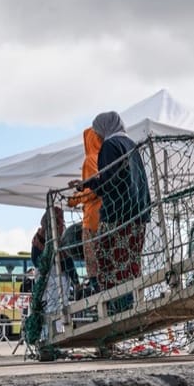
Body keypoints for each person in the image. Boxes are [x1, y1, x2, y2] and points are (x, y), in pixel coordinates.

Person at [70, 112, 151, 314]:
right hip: (138, 214)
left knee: (108, 264)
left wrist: (86, 186)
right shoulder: (131, 144)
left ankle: (117, 312)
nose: (96, 135)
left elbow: (109, 181)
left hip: (117, 215)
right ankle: (132, 305)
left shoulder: (109, 146)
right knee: (130, 263)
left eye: (97, 130)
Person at [68, 126, 103, 285]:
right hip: (103, 216)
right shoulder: (104, 157)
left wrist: (74, 198)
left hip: (91, 220)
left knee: (92, 262)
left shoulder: (90, 159)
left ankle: (97, 289)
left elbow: (93, 191)